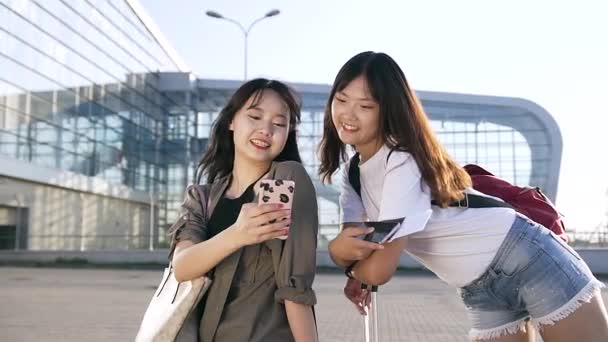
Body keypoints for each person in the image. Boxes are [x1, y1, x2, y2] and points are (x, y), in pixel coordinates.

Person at [318, 51, 608, 341]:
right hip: (480, 287)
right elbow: (358, 247)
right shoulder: (353, 173)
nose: (348, 114)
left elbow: (377, 268)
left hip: (527, 256)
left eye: (365, 105)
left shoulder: (400, 159)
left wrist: (342, 258)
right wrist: (353, 265)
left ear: (389, 110)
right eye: (341, 100)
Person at [169, 78, 319, 342]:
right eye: (255, 117)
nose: (266, 130)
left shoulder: (285, 182)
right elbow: (182, 267)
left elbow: (295, 288)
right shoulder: (202, 197)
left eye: (279, 123)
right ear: (231, 121)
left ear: (288, 134)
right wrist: (238, 234)